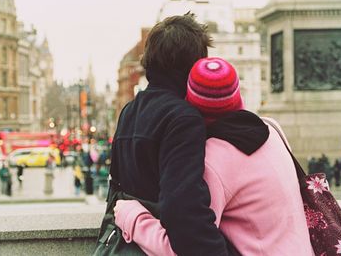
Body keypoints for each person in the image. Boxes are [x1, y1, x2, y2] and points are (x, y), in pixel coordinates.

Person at [114, 57, 314, 255]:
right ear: (237, 97)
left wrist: (132, 217)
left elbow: (186, 246)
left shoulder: (213, 161)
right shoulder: (272, 129)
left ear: (191, 103)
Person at [108, 13, 230, 255]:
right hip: (158, 244)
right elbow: (182, 208)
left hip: (132, 242)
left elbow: (118, 184)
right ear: (195, 65)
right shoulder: (183, 118)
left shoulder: (129, 112)